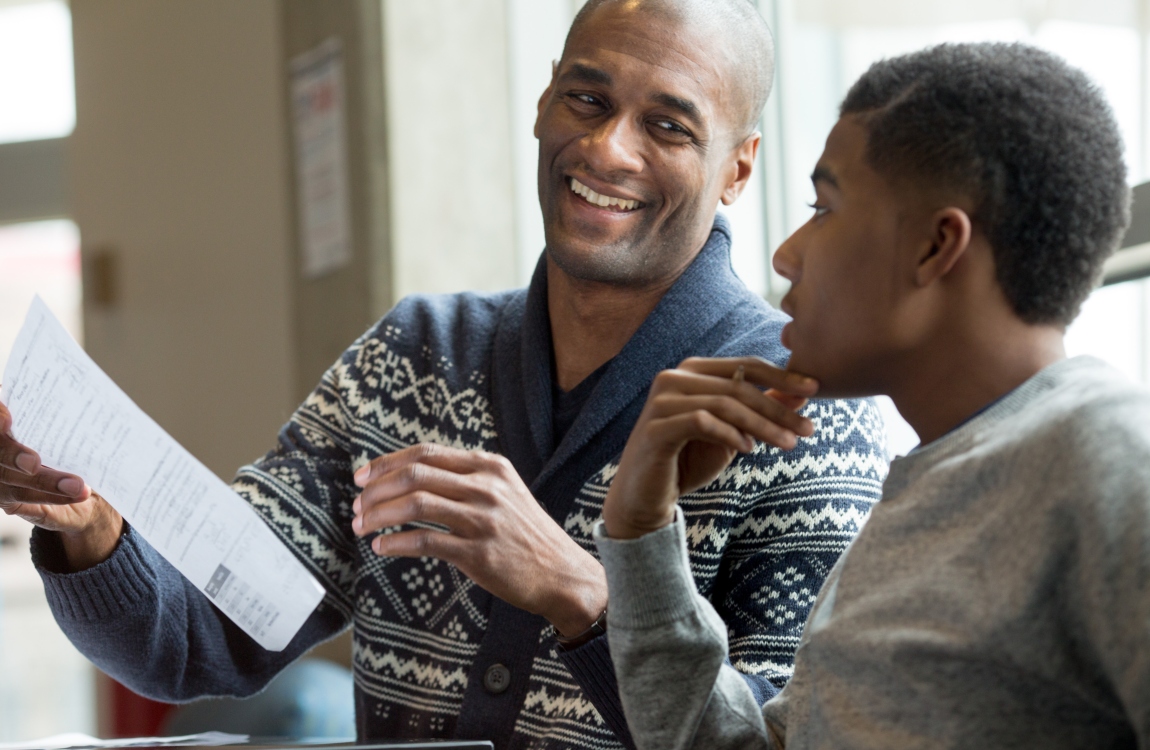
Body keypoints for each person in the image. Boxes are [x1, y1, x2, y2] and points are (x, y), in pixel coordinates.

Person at [0, 1, 887, 748]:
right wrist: (90, 530)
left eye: (669, 124)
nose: (610, 150)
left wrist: (577, 591)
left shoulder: (806, 412)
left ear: (738, 167)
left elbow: (778, 738)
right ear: (543, 101)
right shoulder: (413, 354)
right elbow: (205, 634)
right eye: (587, 98)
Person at [594, 41, 1145, 749]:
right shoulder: (928, 488)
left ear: (933, 247)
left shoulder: (1109, 455)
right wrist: (639, 526)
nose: (786, 254)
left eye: (823, 207)